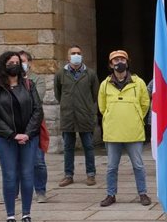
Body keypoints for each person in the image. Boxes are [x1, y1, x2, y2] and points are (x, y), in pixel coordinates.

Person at [0, 51, 43, 222]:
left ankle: (26, 214)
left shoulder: (28, 84)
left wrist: (27, 133)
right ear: (3, 65)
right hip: (6, 139)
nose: (15, 65)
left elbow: (37, 110)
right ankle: (10, 215)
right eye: (11, 62)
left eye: (17, 62)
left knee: (27, 174)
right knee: (9, 175)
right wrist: (12, 134)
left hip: (29, 137)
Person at [98, 50, 151, 207]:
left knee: (138, 165)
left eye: (122, 59)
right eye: (115, 60)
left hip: (133, 131)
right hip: (112, 132)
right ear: (110, 64)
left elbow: (145, 103)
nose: (119, 62)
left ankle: (143, 193)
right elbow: (102, 106)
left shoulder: (138, 82)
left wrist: (135, 117)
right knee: (111, 167)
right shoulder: (104, 84)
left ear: (127, 62)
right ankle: (110, 194)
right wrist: (110, 116)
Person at [54, 45, 99, 187]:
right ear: (68, 57)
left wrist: (86, 107)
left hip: (84, 115)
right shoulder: (60, 74)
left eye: (78, 53)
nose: (76, 55)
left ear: (82, 55)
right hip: (68, 115)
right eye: (73, 53)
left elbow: (94, 94)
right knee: (68, 147)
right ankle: (68, 175)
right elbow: (58, 94)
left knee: (88, 146)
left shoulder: (90, 74)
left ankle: (90, 174)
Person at [19, 51, 48, 203]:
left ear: (29, 63)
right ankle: (14, 191)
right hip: (16, 127)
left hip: (34, 125)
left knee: (38, 161)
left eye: (23, 61)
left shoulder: (38, 80)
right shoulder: (9, 80)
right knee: (15, 161)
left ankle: (41, 191)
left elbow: (37, 99)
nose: (20, 64)